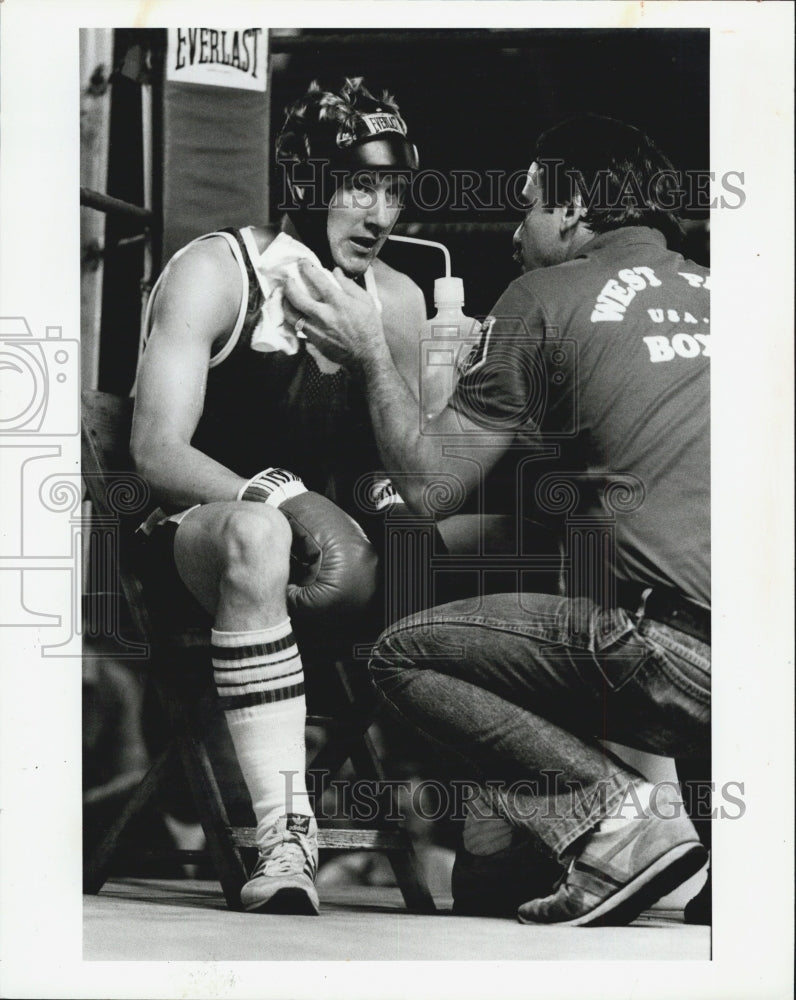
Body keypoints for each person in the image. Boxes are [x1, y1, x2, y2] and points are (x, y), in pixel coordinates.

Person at [283, 114, 711, 926]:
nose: (516, 232)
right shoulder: (741, 295)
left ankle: (617, 817)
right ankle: (733, 861)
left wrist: (371, 349)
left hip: (665, 657)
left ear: (574, 206)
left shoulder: (545, 296)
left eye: (527, 206)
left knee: (406, 654)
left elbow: (430, 485)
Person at [130, 77, 427, 915]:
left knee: (465, 539)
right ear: (305, 180)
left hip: (335, 559)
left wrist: (380, 358)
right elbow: (155, 450)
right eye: (359, 186)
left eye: (395, 191)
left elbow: (419, 473)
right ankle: (283, 834)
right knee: (258, 536)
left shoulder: (398, 300)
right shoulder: (216, 272)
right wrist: (280, 497)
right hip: (201, 539)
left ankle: (502, 833)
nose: (380, 214)